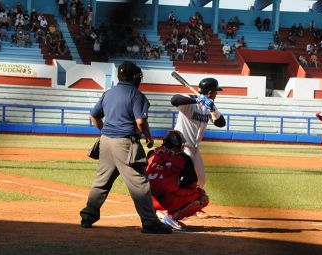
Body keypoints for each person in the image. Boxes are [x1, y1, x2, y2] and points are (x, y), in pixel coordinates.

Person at [79, 61, 172, 234]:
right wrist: (149, 138)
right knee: (140, 183)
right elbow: (140, 121)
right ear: (135, 77)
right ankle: (150, 222)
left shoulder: (108, 93)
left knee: (101, 182)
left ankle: (88, 215)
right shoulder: (136, 95)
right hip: (125, 143)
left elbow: (93, 115)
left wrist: (104, 130)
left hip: (105, 142)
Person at [146, 130, 209, 230]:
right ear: (177, 143)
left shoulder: (152, 153)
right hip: (166, 200)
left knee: (155, 185)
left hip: (146, 200)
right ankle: (171, 217)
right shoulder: (183, 157)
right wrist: (177, 186)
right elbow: (191, 182)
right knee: (202, 197)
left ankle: (150, 216)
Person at [170, 78, 226, 189]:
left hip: (195, 149)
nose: (216, 94)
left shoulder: (208, 107)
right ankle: (176, 202)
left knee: (201, 180)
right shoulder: (189, 102)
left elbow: (221, 123)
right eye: (216, 91)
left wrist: (213, 109)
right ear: (210, 92)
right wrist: (197, 99)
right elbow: (174, 100)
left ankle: (190, 202)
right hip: (182, 147)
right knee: (184, 178)